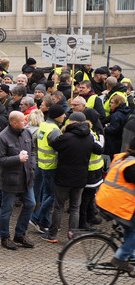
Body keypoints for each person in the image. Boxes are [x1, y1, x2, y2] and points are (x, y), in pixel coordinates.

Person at [41, 112, 103, 242]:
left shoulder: (66, 137)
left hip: (64, 176)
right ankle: (72, 236)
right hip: (81, 177)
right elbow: (98, 149)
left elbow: (54, 144)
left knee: (59, 206)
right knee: (75, 207)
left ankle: (52, 235)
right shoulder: (89, 137)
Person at [0, 111, 36, 250]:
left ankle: (20, 234)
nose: (26, 122)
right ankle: (5, 237)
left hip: (26, 177)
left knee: (30, 204)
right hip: (10, 180)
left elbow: (33, 151)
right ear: (14, 123)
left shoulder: (26, 132)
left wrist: (32, 166)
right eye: (23, 120)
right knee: (7, 209)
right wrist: (17, 159)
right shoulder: (2, 138)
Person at [95, 137, 135, 276]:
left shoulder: (122, 158)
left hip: (104, 200)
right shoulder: (132, 166)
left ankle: (130, 253)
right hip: (116, 205)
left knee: (129, 229)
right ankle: (121, 258)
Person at [30, 104, 66, 234]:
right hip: (51, 166)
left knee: (46, 194)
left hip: (42, 164)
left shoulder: (44, 125)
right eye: (63, 114)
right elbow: (60, 148)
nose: (65, 116)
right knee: (51, 195)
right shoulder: (55, 130)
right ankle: (36, 218)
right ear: (57, 116)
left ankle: (44, 222)